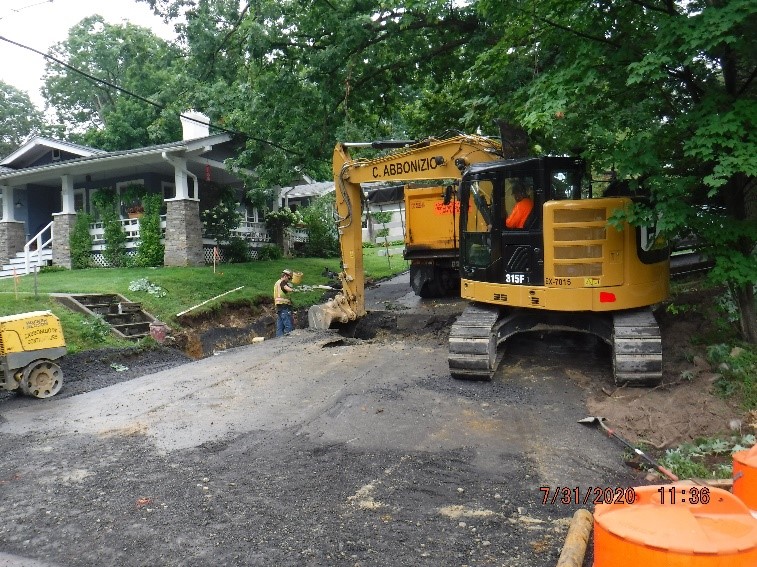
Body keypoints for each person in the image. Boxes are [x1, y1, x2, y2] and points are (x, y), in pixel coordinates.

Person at [274, 269, 295, 337]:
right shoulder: (282, 282)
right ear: (285, 276)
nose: (288, 280)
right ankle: (289, 340)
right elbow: (286, 288)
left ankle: (279, 340)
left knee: (280, 325)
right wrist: (294, 290)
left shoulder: (277, 283)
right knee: (288, 324)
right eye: (289, 278)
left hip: (279, 306)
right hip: (283, 306)